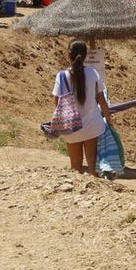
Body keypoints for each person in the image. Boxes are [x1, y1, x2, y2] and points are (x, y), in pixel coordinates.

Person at [52, 39, 112, 175]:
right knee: (92, 164)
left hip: (71, 127)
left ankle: (78, 194)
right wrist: (109, 121)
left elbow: (56, 102)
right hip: (92, 126)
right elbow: (102, 101)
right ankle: (95, 193)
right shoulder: (93, 73)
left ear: (68, 54)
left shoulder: (61, 76)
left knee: (75, 166)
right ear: (85, 55)